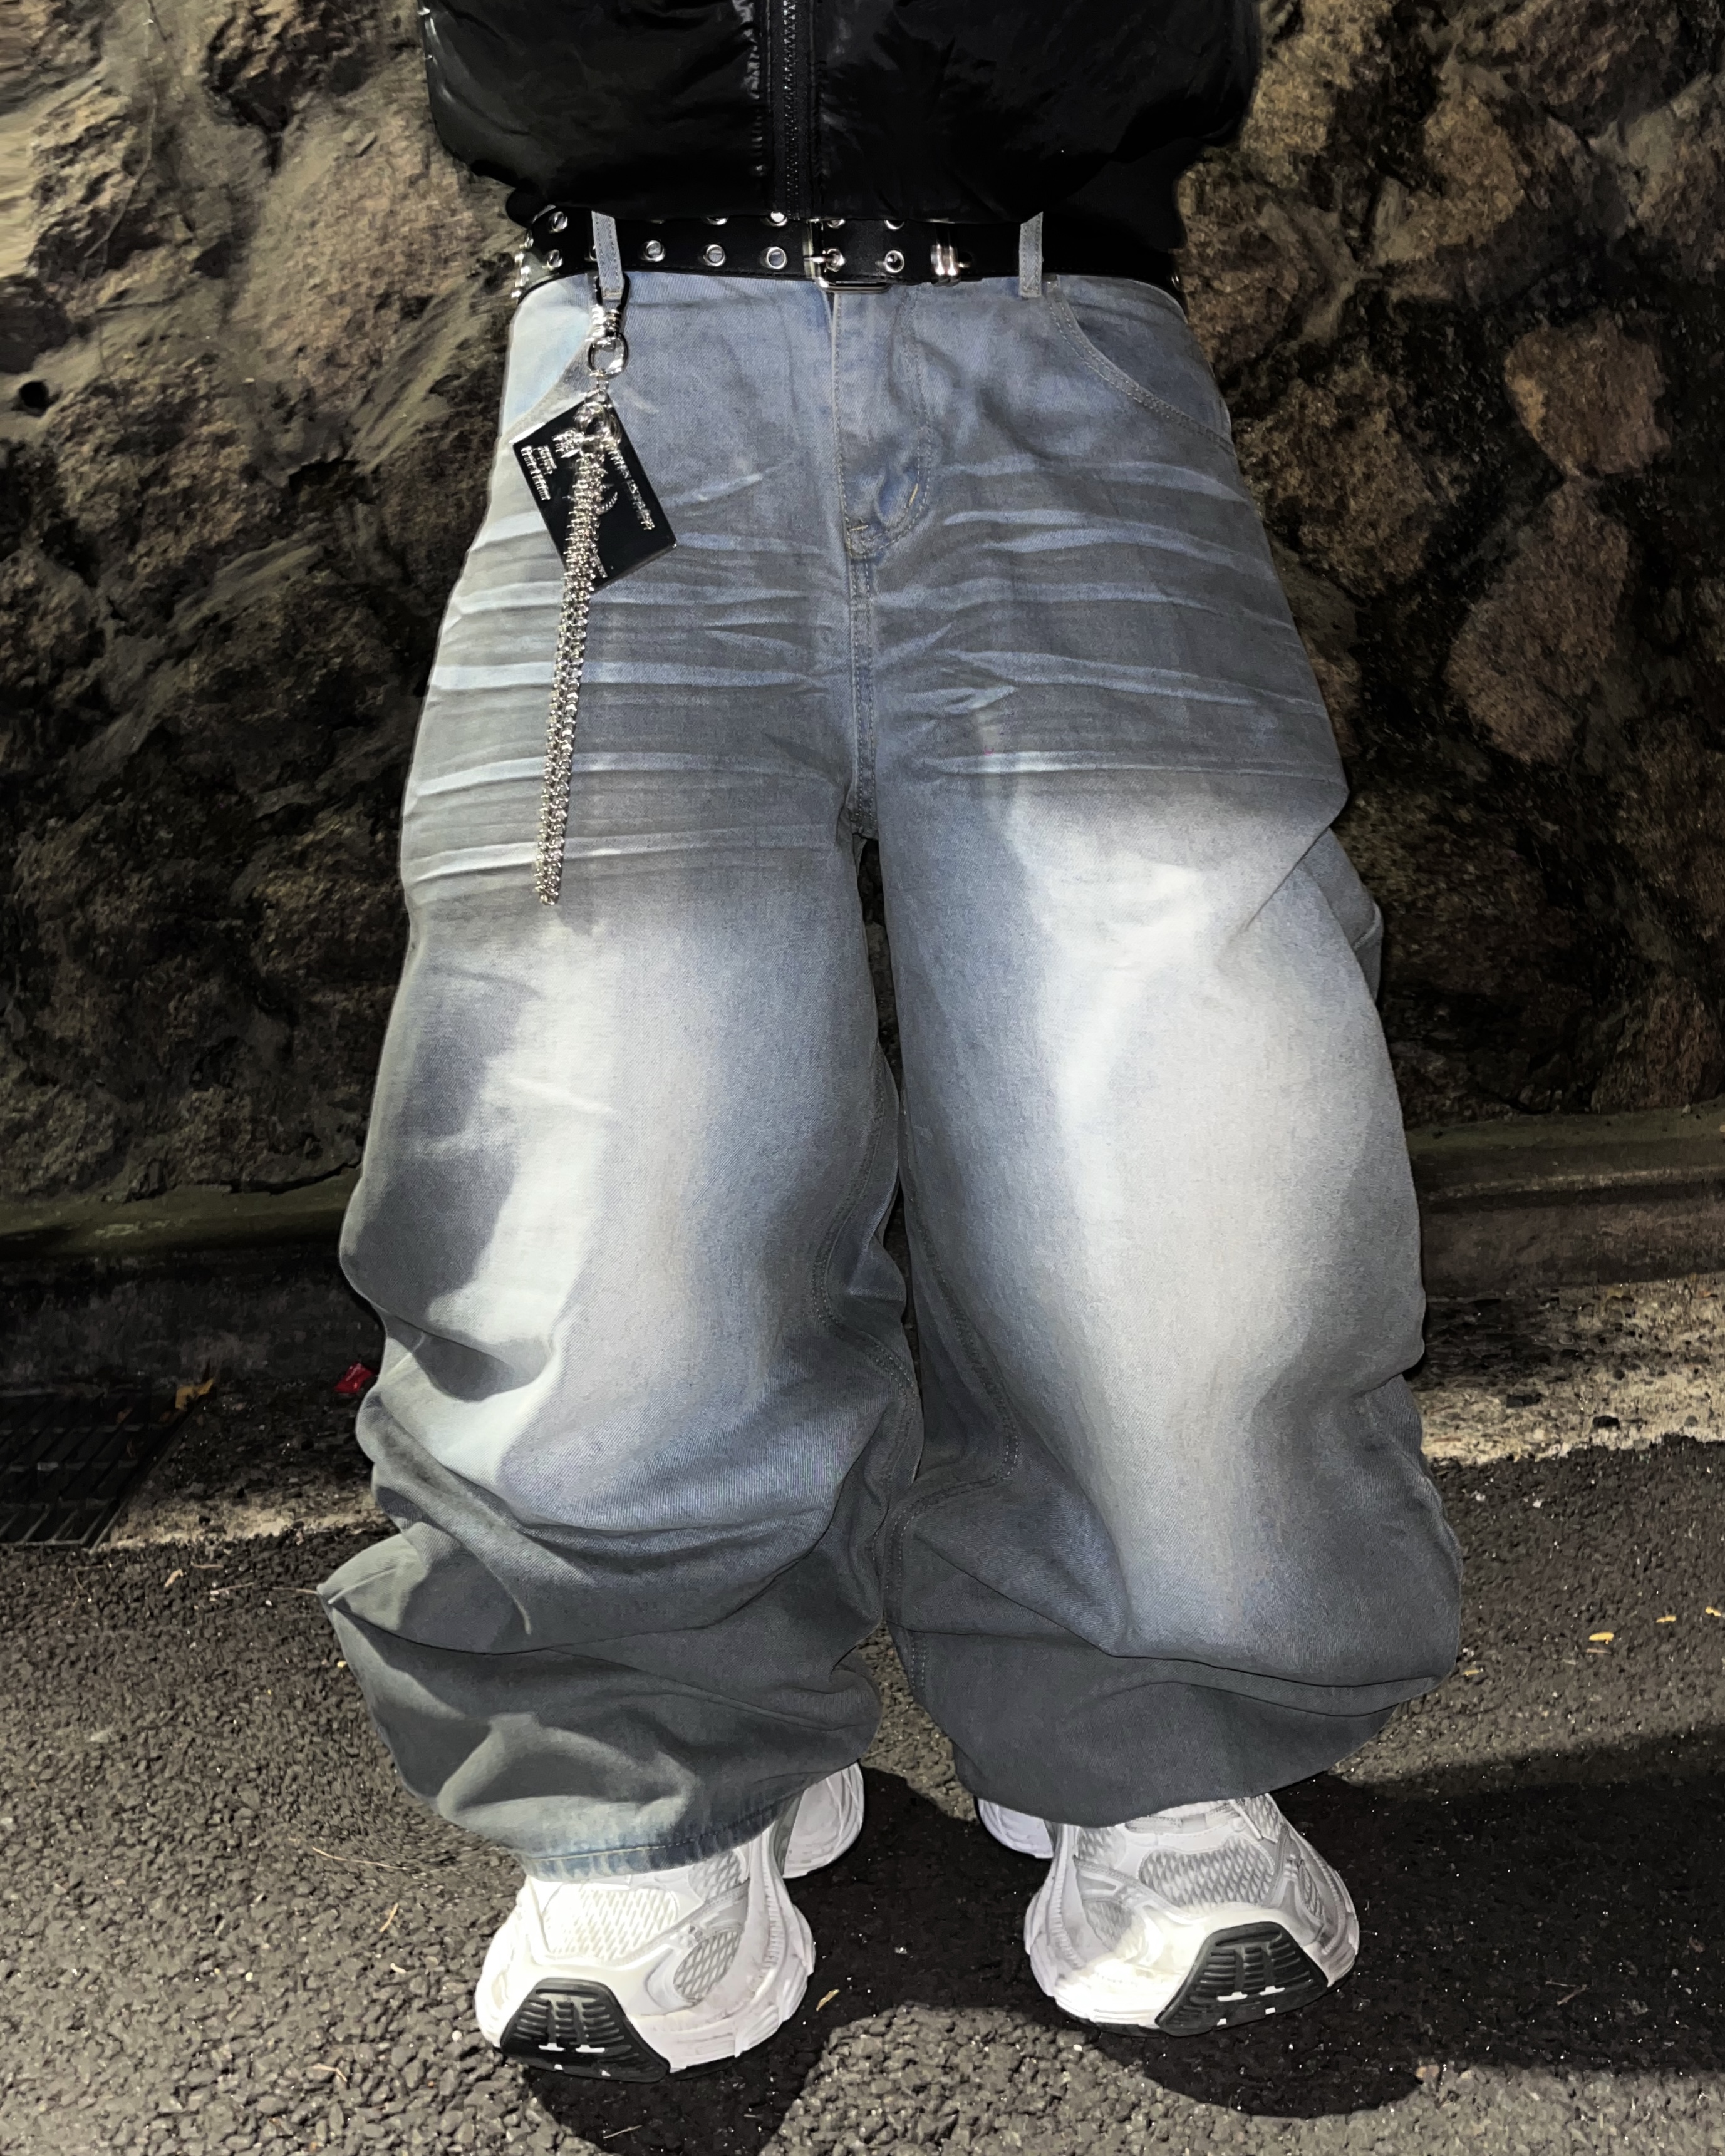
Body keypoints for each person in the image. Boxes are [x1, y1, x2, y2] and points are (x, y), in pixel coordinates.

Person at [318, 0, 1463, 2081]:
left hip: (1064, 322)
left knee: (1187, 1117)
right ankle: (653, 1771)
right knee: (596, 1125)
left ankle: (1151, 1733)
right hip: (624, 349)